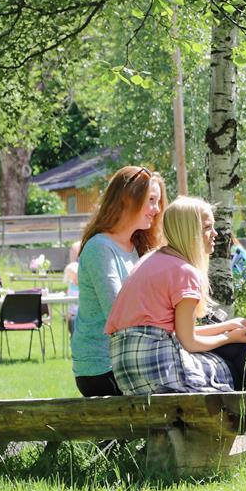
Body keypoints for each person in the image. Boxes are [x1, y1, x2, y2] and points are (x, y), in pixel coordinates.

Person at [107, 197, 246, 400]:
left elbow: (178, 333)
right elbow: (189, 342)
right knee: (238, 356)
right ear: (190, 231)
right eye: (208, 227)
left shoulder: (151, 261)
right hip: (159, 370)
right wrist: (230, 337)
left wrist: (228, 326)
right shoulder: (184, 271)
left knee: (233, 348)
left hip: (128, 371)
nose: (215, 234)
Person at [72, 166, 165, 398]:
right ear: (127, 198)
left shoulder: (138, 247)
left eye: (158, 202)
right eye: (151, 200)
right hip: (104, 368)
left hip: (133, 358)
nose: (157, 209)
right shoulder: (100, 248)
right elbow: (118, 314)